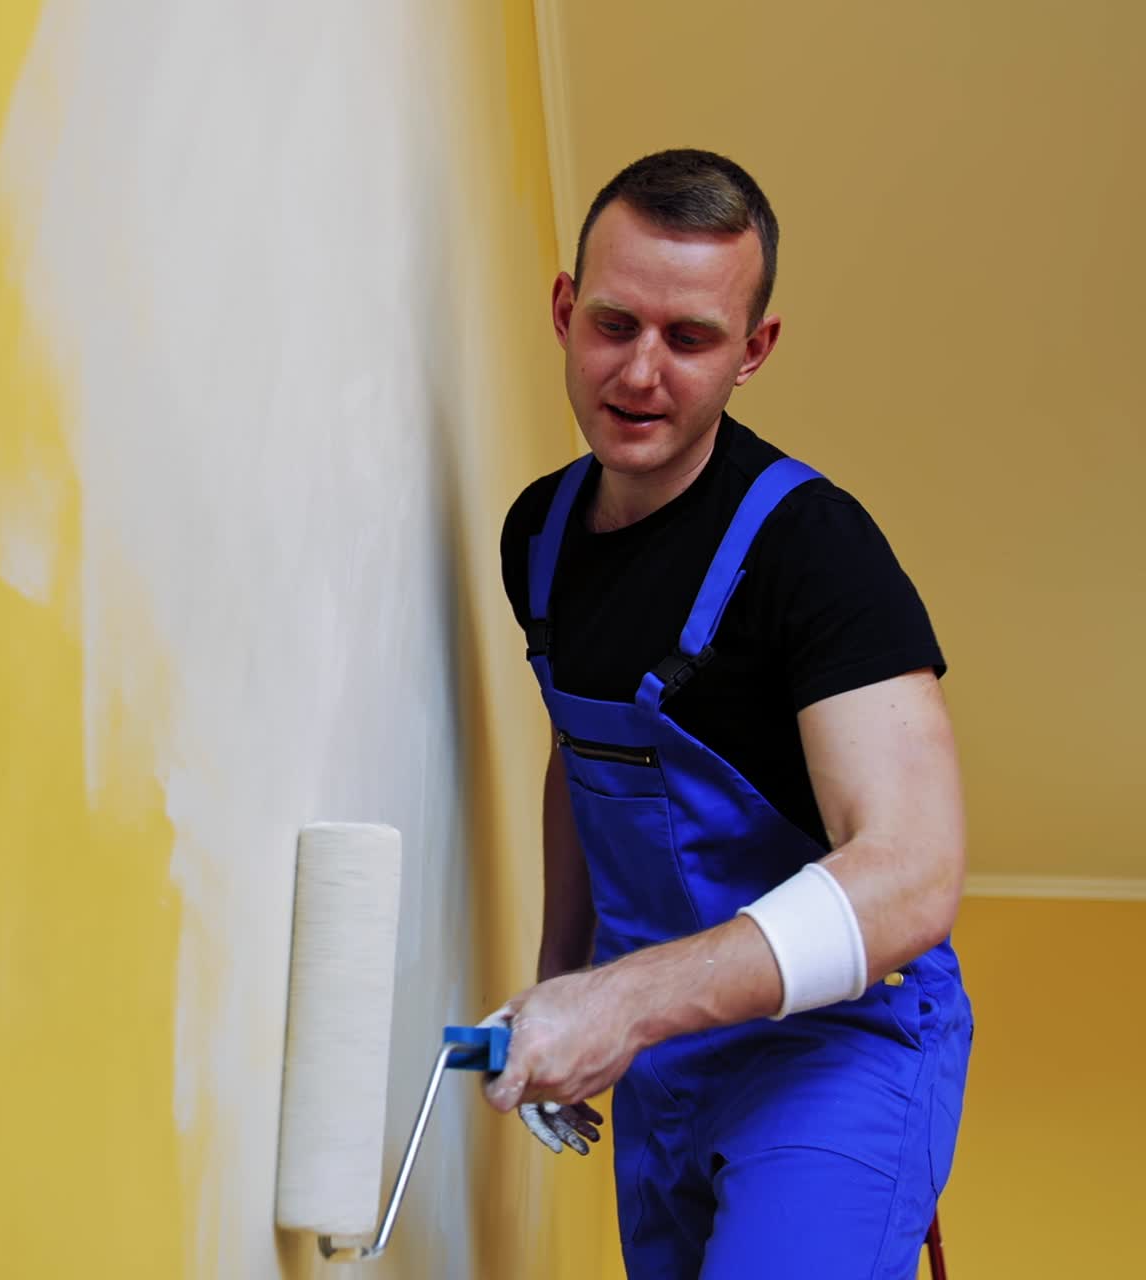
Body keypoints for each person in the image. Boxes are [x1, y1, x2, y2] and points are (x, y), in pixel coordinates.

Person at [484, 149, 973, 1279]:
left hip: (834, 1045)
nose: (641, 372)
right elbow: (582, 758)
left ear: (751, 351)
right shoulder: (538, 539)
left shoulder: (816, 553)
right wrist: (563, 977)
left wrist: (620, 997)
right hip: (665, 1057)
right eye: (613, 324)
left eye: (690, 338)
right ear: (564, 310)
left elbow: (909, 871)